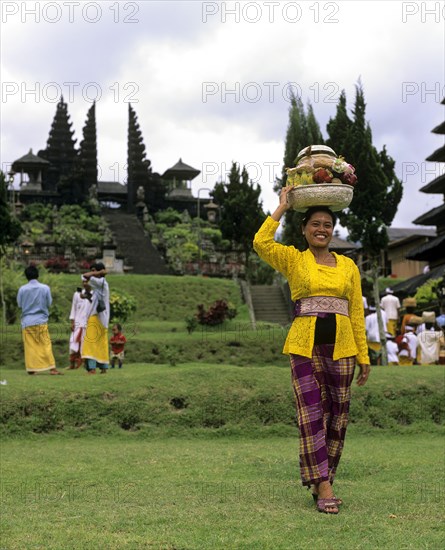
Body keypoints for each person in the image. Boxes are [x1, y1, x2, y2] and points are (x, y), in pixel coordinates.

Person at [253, 186, 370, 515]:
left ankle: (323, 478)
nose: (321, 229)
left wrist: (363, 355)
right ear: (304, 229)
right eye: (315, 224)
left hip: (342, 348)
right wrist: (281, 208)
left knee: (337, 416)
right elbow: (261, 243)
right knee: (311, 414)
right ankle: (324, 484)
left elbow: (356, 313)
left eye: (327, 225)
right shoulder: (293, 259)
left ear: (333, 231)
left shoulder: (348, 266)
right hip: (304, 347)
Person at [16, 265, 62, 375]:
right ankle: (52, 368)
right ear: (37, 275)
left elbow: (19, 304)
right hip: (41, 320)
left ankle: (32, 369)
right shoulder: (45, 288)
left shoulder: (22, 289)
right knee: (45, 344)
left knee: (30, 346)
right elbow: (49, 303)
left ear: (26, 276)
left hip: (27, 321)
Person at [81, 263, 110, 374]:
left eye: (94, 271)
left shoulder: (101, 282)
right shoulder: (101, 285)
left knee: (90, 343)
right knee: (101, 343)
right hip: (103, 318)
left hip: (96, 317)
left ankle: (92, 368)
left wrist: (97, 273)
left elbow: (84, 276)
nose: (92, 273)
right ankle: (103, 367)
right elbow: (94, 299)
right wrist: (87, 295)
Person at [68, 278, 92, 369]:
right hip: (78, 323)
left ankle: (85, 364)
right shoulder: (77, 294)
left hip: (88, 324)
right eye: (83, 282)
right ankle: (72, 364)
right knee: (73, 342)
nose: (85, 283)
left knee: (85, 344)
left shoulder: (93, 294)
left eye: (87, 282)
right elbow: (73, 308)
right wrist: (72, 322)